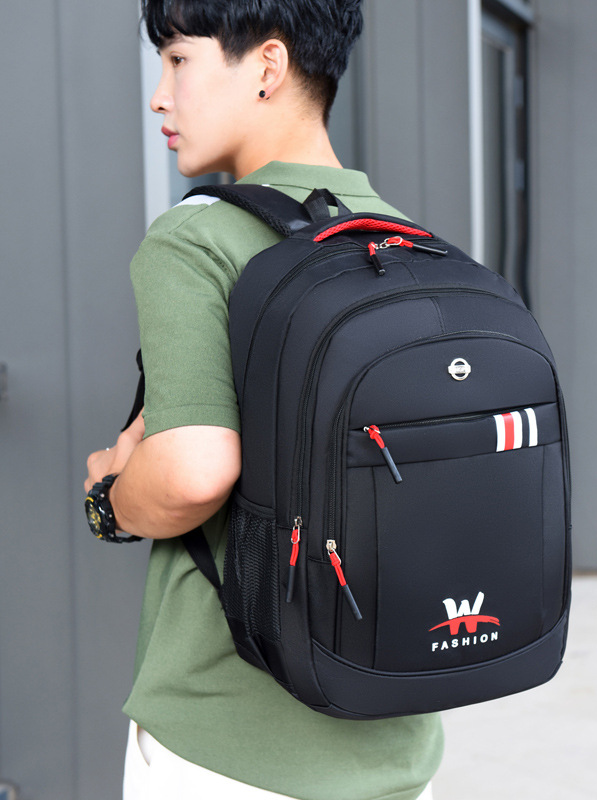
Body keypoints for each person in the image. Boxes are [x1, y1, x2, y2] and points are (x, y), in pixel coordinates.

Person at [83, 1, 443, 797]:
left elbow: (192, 474)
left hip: (230, 746)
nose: (159, 95)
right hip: (396, 736)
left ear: (268, 67)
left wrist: (110, 493)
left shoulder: (197, 239)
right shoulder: (407, 242)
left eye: (178, 59)